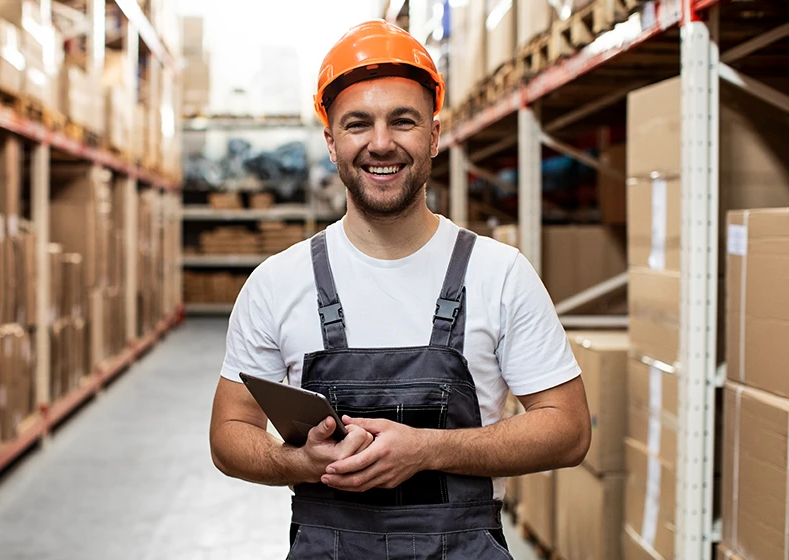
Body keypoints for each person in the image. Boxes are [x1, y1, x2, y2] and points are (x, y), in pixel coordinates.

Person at [210, 19, 591, 559]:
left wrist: (427, 450)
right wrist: (300, 463)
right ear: (331, 141)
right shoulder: (277, 283)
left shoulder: (499, 274)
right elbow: (229, 431)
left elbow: (569, 430)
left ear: (434, 135)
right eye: (358, 124)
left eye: (403, 121)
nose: (381, 143)